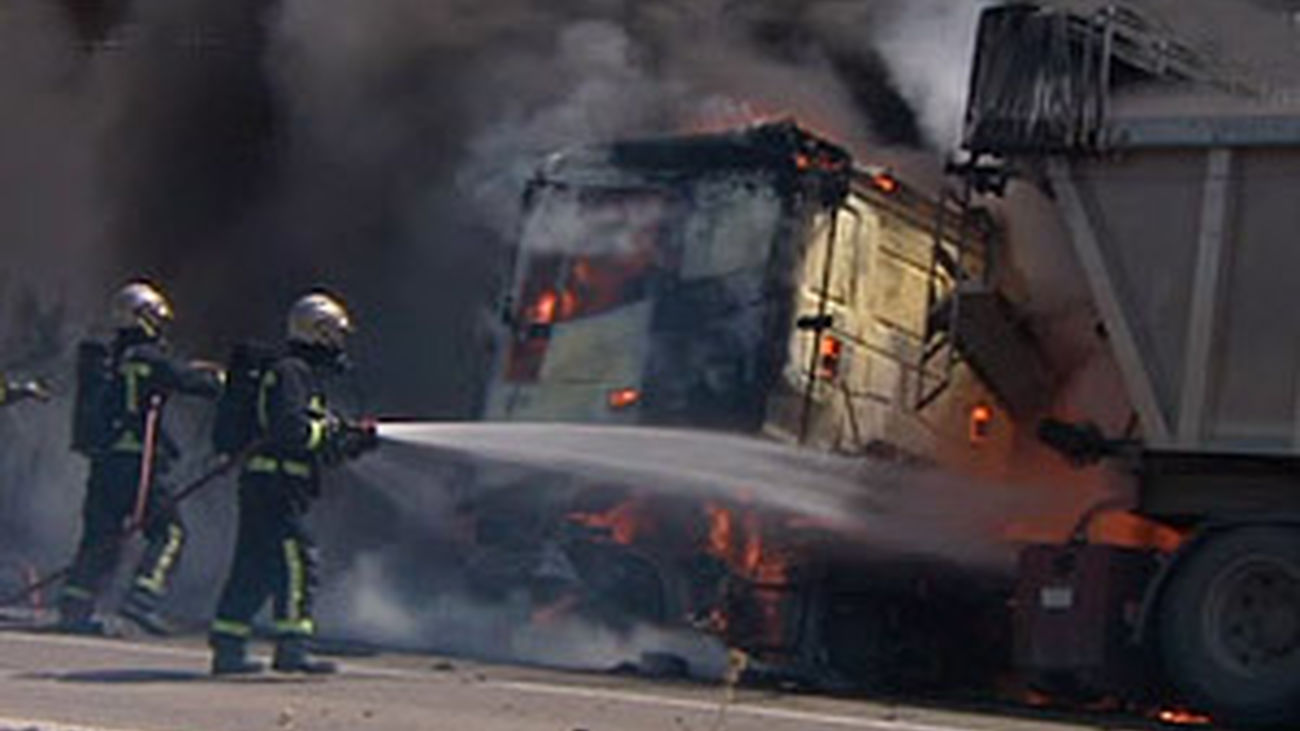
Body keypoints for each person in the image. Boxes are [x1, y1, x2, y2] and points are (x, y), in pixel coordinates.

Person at [209, 291, 377, 675]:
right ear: (317, 331)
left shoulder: (301, 376)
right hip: (276, 486)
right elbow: (290, 431)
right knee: (298, 559)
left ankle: (228, 646)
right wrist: (332, 435)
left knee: (254, 566)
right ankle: (293, 646)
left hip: (271, 485)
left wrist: (350, 441)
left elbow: (312, 438)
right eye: (335, 334)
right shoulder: (291, 372)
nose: (339, 344)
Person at [58, 281, 223, 635]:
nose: (160, 326)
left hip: (104, 464)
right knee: (170, 532)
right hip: (140, 464)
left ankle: (75, 606)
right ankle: (142, 601)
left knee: (101, 535)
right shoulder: (148, 358)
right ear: (141, 318)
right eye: (155, 318)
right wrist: (226, 381)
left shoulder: (107, 356)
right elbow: (194, 382)